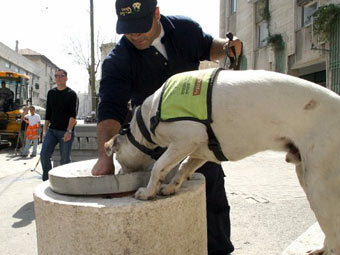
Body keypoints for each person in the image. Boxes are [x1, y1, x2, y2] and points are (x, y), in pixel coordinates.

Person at [92, 1, 234, 254]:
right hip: (153, 144)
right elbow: (110, 109)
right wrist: (105, 158)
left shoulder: (184, 29)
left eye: (140, 27)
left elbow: (208, 46)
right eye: (128, 29)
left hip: (198, 134)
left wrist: (227, 47)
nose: (135, 35)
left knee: (211, 196)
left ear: (156, 13)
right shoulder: (118, 60)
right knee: (158, 206)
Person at [40, 69, 78, 181]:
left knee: (65, 159)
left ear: (66, 78)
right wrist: (45, 129)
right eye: (56, 76)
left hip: (65, 131)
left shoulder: (71, 94)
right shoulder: (51, 93)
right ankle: (47, 180)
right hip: (52, 131)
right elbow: (48, 112)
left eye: (61, 76)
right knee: (44, 154)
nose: (58, 78)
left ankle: (64, 182)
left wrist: (69, 131)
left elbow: (73, 115)